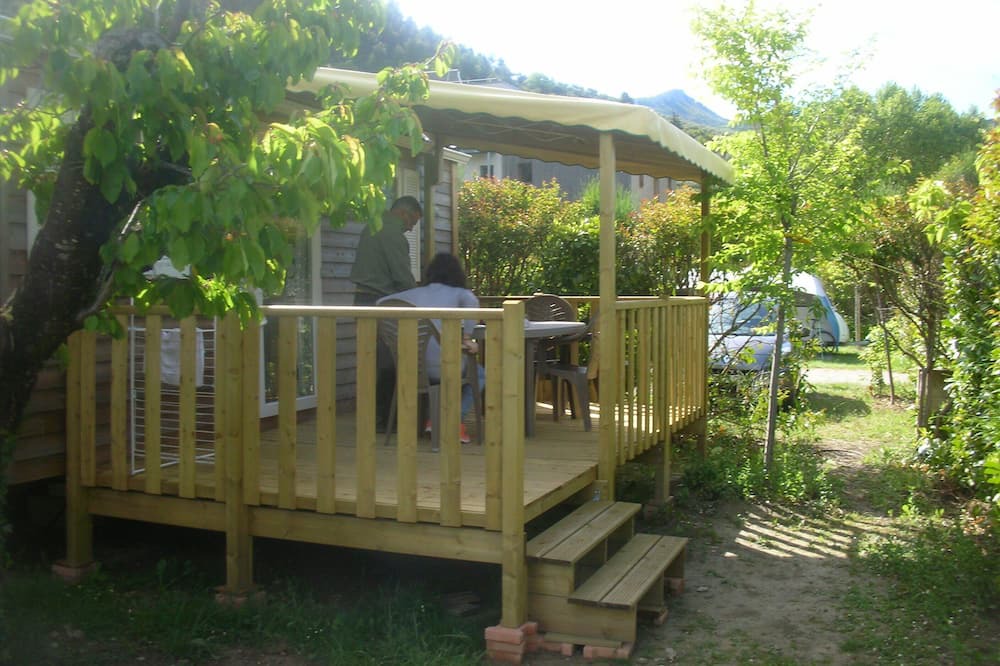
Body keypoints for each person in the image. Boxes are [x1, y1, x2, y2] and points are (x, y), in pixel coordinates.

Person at [378, 253, 484, 444]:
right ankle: (452, 421)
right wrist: (467, 338)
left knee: (452, 370)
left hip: (412, 368)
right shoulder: (462, 295)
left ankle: (434, 421)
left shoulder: (414, 294)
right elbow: (471, 308)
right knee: (480, 374)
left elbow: (380, 304)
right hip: (447, 366)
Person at [350, 196, 422, 430]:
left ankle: (368, 416)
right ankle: (384, 419)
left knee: (367, 360)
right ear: (402, 213)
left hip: (361, 301)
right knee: (388, 361)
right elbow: (402, 277)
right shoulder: (393, 235)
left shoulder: (370, 226)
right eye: (412, 221)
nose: (411, 227)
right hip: (381, 303)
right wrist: (421, 301)